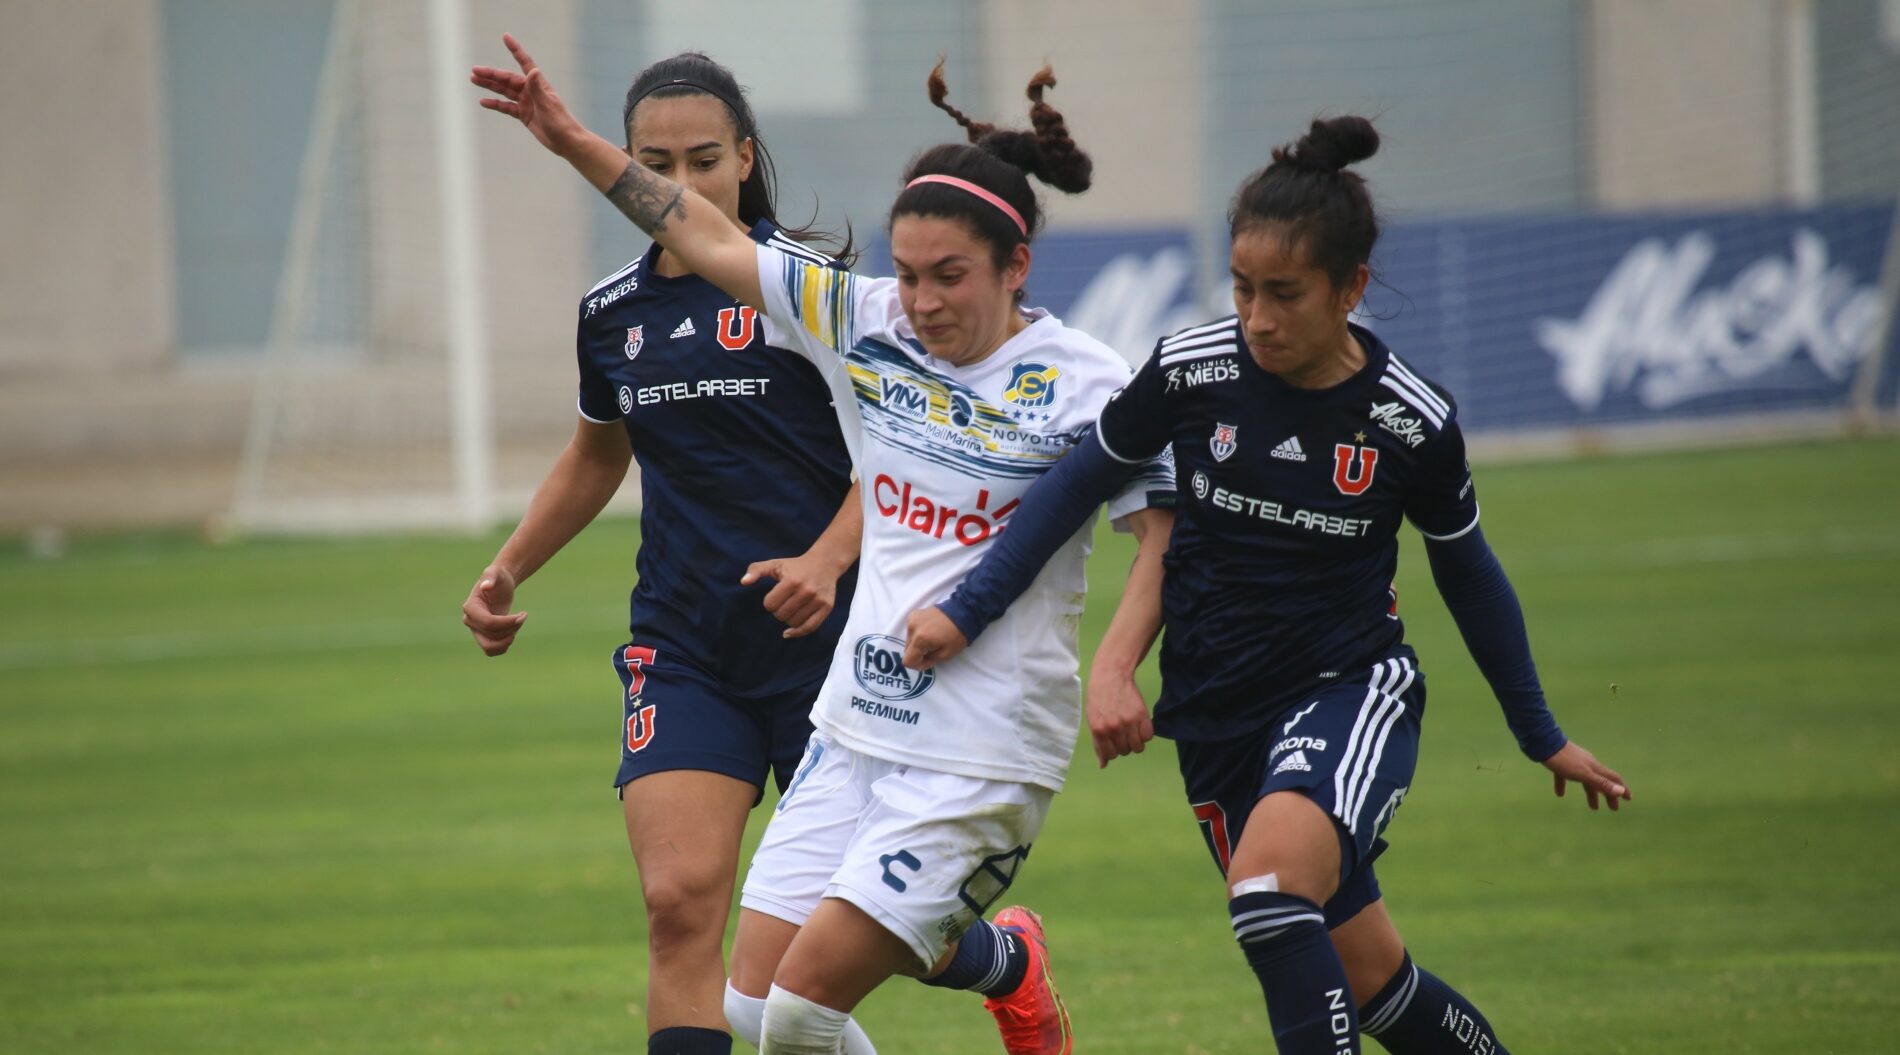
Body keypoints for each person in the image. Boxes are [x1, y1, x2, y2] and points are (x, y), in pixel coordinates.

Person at [473, 38, 1174, 1055]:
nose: (923, 300)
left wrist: (1116, 663)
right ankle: (1000, 961)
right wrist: (571, 141)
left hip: (959, 727)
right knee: (736, 979)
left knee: (808, 998)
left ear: (1015, 266)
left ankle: (1003, 961)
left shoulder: (1082, 378)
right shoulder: (860, 318)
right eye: (910, 273)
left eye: (951, 276)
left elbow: (1161, 530)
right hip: (815, 699)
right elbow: (687, 250)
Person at [903, 115, 1633, 1055]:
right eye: (1245, 290)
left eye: (1285, 294)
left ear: (1351, 288)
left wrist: (1540, 733)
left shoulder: (1409, 422)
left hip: (1346, 689)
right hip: (1214, 717)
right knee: (1373, 982)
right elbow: (1073, 488)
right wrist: (967, 612)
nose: (1259, 318)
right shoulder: (1190, 371)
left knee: (1269, 892)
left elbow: (1470, 573)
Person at [459, 51, 866, 1055]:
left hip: (836, 653)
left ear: (746, 160)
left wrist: (822, 559)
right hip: (688, 649)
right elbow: (597, 453)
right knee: (678, 903)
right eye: (655, 160)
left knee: (830, 941)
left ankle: (998, 958)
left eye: (702, 160)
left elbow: (901, 464)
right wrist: (509, 564)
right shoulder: (613, 312)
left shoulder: (812, 296)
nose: (677, 186)